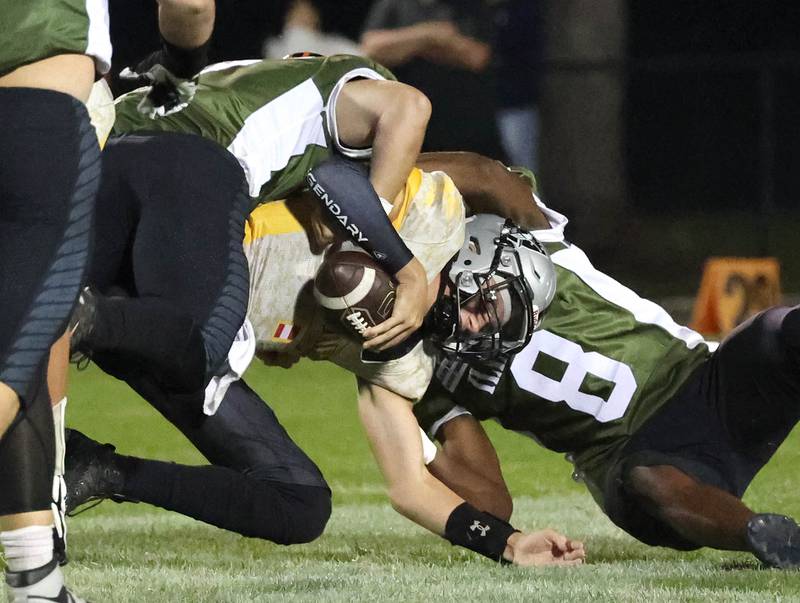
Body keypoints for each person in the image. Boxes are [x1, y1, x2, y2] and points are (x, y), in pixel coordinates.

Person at [66, 156, 584, 566]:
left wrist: (508, 544)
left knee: (300, 506)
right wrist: (399, 267)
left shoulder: (406, 358)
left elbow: (409, 486)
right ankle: (78, 318)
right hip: (188, 238)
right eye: (494, 305)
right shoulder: (433, 217)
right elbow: (330, 174)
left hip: (185, 338)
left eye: (499, 329)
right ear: (483, 253)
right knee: (197, 337)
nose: (481, 325)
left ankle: (97, 469)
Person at [405, 158, 800, 569]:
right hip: (629, 456)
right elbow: (492, 502)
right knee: (650, 480)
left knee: (775, 330)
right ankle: (772, 538)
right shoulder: (425, 364)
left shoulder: (542, 246)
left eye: (489, 302)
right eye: (469, 306)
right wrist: (413, 442)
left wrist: (387, 179)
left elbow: (487, 177)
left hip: (702, 381)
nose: (474, 322)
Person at [0, 1, 214, 600]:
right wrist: (181, 62)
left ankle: (37, 580)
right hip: (35, 106)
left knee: (18, 339)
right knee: (24, 342)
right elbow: (190, 6)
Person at [112, 53, 434, 352]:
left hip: (126, 154)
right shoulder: (325, 93)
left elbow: (327, 207)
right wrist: (404, 269)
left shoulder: (251, 90)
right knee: (211, 345)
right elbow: (411, 105)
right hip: (181, 171)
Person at [361, 0, 506, 159]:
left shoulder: (468, 6)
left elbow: (477, 57)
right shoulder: (394, 3)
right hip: (409, 125)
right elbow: (371, 48)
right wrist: (429, 35)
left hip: (465, 126)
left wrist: (406, 48)